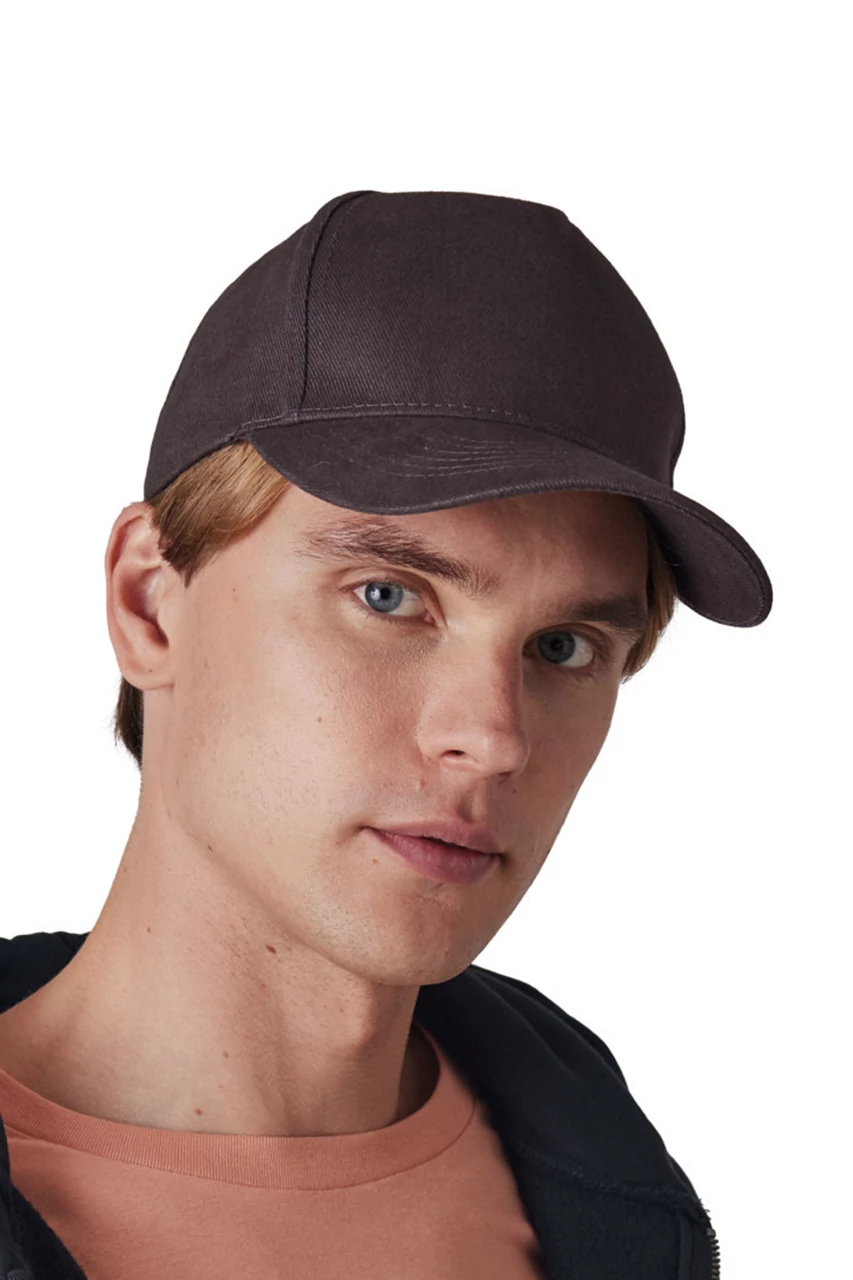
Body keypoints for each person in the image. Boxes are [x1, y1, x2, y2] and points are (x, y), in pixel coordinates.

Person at [0, 189, 772, 1280]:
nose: (494, 738)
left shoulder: (610, 1198)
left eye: (561, 647)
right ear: (149, 603)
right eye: (387, 596)